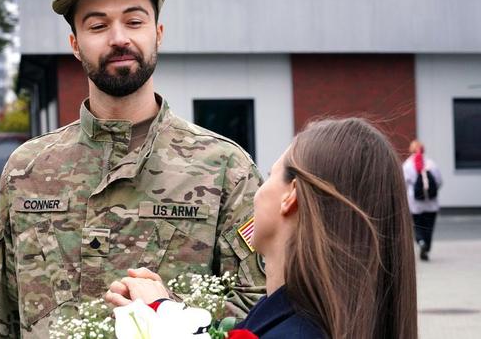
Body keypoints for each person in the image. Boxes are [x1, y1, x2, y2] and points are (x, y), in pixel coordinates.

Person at [0, 0, 265, 337]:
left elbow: (260, 308)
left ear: (158, 35)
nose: (119, 38)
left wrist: (171, 313)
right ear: (75, 45)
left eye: (134, 21)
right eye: (98, 26)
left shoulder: (223, 168)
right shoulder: (28, 170)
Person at [108, 118, 418, 339]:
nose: (258, 189)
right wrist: (165, 311)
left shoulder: (294, 331)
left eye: (270, 174)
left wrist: (163, 325)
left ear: (290, 196)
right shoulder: (317, 319)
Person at [403, 140, 442, 261]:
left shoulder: (407, 165)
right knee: (429, 227)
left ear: (411, 149)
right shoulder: (431, 163)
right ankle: (427, 247)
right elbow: (439, 181)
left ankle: (420, 242)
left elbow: (403, 183)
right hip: (431, 203)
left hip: (415, 204)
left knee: (418, 226)